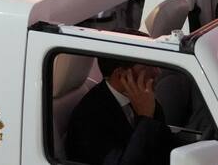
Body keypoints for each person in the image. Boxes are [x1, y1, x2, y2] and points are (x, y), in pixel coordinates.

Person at [65, 29, 174, 165]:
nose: (158, 71)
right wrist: (145, 117)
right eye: (147, 66)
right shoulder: (89, 118)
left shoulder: (143, 98)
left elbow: (164, 149)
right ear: (121, 75)